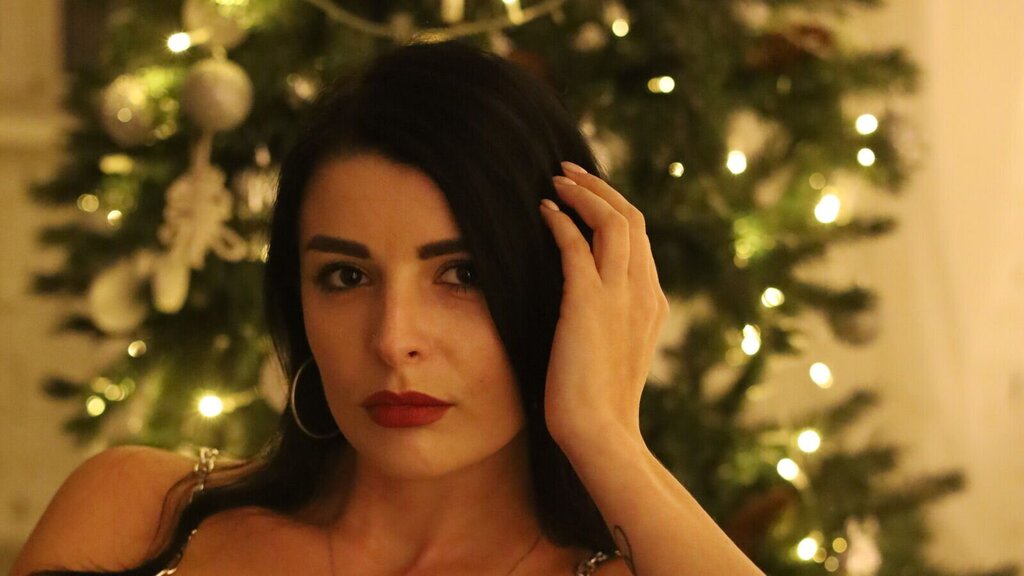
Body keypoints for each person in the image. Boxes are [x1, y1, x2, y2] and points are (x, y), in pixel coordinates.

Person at [13, 41, 765, 576]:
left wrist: (605, 435)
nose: (393, 339)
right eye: (345, 276)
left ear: (564, 288)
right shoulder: (139, 516)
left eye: (463, 274)